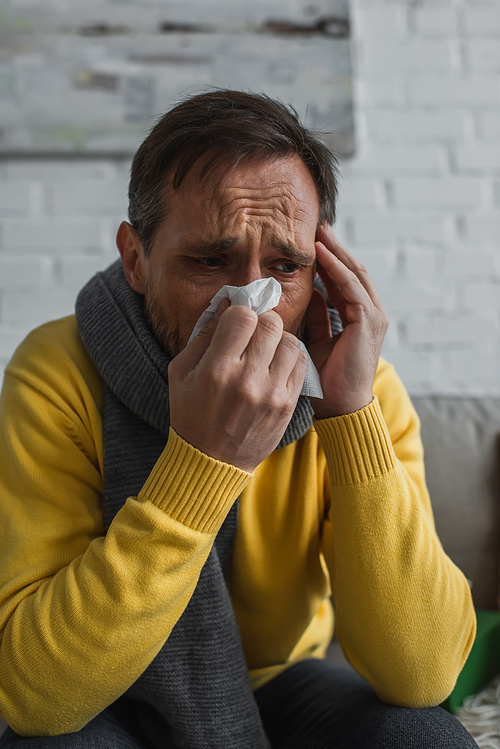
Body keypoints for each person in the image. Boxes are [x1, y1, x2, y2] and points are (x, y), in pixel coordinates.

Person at [0, 90, 477, 749]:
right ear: (135, 258)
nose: (250, 306)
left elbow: (423, 672)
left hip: (284, 680)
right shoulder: (57, 371)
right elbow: (33, 695)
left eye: (286, 266)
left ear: (324, 271)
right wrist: (200, 463)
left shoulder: (353, 384)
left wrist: (351, 413)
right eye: (210, 261)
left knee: (422, 736)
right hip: (106, 690)